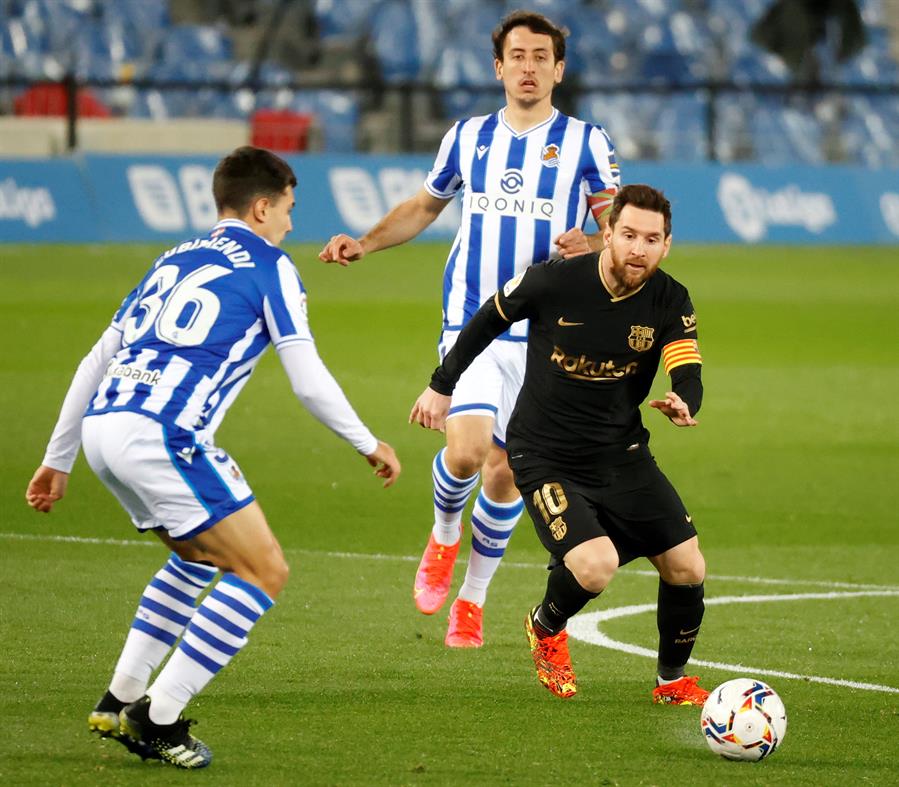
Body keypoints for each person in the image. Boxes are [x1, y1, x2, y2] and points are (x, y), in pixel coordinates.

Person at [25, 146, 401, 768]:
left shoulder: (172, 258)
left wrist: (57, 456)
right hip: (163, 434)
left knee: (200, 557)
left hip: (104, 430)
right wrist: (367, 441)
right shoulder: (271, 265)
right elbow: (305, 377)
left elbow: (97, 359)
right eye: (287, 209)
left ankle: (119, 696)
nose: (289, 222)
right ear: (261, 207)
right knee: (264, 571)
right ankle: (158, 718)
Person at [319, 10, 620, 648]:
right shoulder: (467, 137)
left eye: (542, 56)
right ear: (499, 67)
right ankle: (444, 538)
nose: (529, 66)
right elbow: (427, 205)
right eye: (518, 55)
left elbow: (619, 235)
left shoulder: (588, 142)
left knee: (508, 472)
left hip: (548, 334)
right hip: (474, 323)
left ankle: (473, 600)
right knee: (466, 451)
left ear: (559, 70)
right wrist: (367, 244)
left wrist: (590, 241)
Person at [410, 184, 709, 704]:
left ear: (667, 245)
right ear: (608, 234)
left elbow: (687, 365)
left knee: (688, 567)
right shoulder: (554, 281)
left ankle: (672, 681)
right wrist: (442, 383)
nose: (639, 248)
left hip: (622, 455)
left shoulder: (670, 298)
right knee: (596, 567)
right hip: (545, 455)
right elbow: (485, 321)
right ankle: (545, 628)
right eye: (630, 234)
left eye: (652, 239)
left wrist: (685, 400)